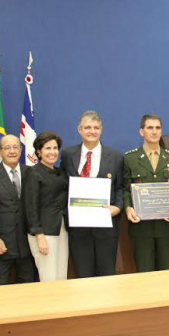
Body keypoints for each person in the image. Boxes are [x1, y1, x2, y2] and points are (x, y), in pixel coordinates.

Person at [60, 111, 124, 277]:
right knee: (83, 275)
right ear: (79, 130)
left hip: (106, 227)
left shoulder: (115, 156)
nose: (92, 131)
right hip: (78, 228)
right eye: (87, 127)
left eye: (96, 127)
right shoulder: (68, 155)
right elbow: (63, 186)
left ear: (101, 130)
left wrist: (117, 207)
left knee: (106, 275)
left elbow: (121, 187)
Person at [123, 114, 169, 272]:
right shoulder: (130, 158)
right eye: (150, 128)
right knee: (144, 272)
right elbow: (126, 188)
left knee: (165, 271)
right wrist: (128, 208)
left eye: (158, 128)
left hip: (165, 225)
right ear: (141, 132)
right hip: (141, 226)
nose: (154, 132)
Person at [0, 134, 36, 285]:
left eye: (15, 147)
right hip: (1, 245)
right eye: (7, 148)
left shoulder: (31, 173)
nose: (12, 151)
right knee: (1, 293)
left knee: (28, 292)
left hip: (27, 245)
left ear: (20, 150)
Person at [23, 132, 69, 281]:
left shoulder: (61, 173)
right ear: (38, 151)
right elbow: (30, 207)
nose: (53, 152)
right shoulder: (33, 173)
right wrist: (39, 236)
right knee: (49, 277)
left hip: (61, 229)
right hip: (44, 233)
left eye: (55, 148)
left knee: (61, 275)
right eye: (48, 148)